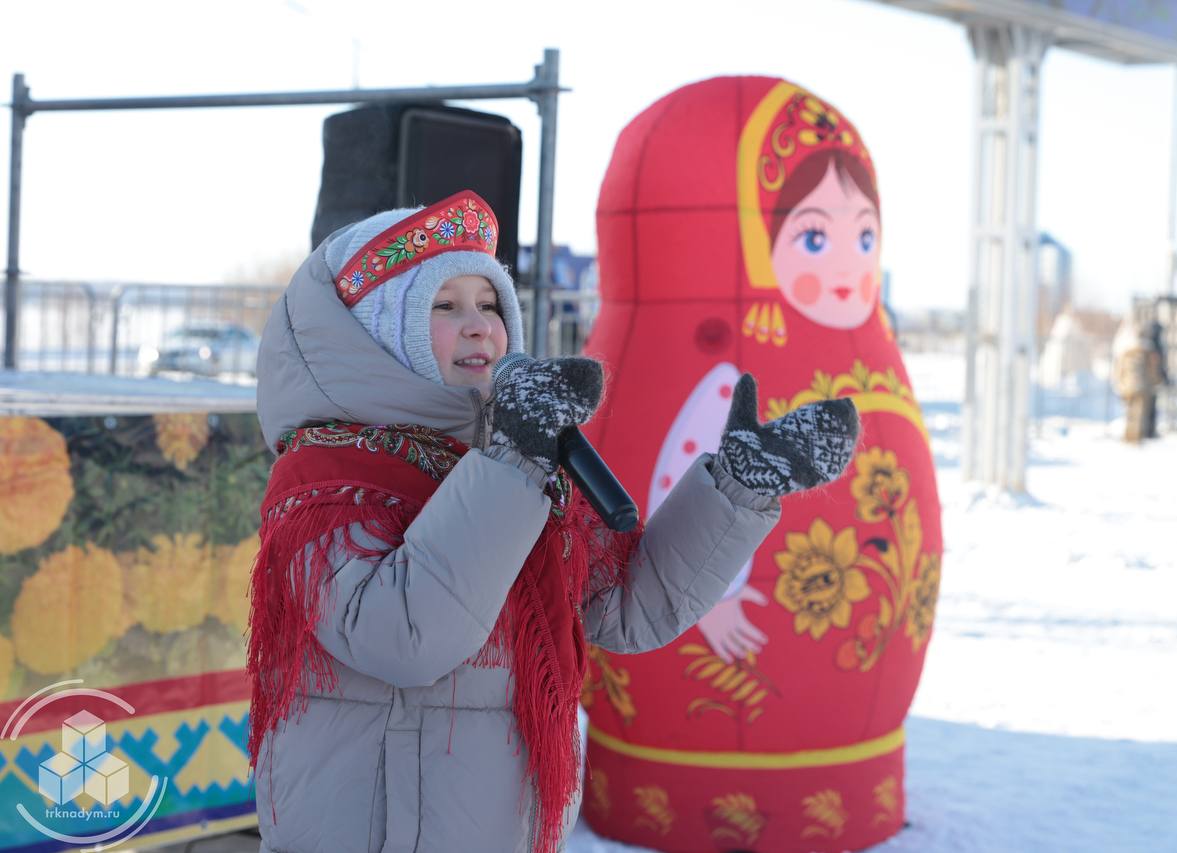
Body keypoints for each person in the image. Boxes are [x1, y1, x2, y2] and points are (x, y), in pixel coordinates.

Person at [245, 189, 859, 853]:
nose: (478, 325)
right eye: (444, 306)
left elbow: (630, 606)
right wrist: (513, 459)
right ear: (378, 335)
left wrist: (737, 488)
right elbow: (402, 635)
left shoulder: (509, 467)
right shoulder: (321, 479)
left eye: (489, 304)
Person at [581, 78, 943, 852]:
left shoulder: (861, 351)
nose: (846, 264)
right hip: (698, 632)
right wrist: (709, 599)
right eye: (814, 239)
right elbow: (671, 481)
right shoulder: (720, 374)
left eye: (863, 237)